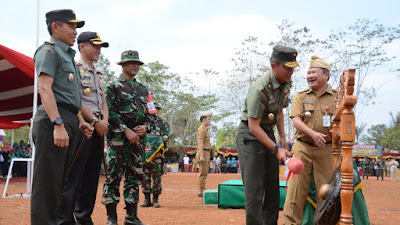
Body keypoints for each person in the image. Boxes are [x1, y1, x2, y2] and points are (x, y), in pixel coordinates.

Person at [31, 9, 93, 225]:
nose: (76, 31)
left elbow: (71, 97)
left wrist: (81, 121)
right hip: (52, 120)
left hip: (68, 118)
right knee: (47, 185)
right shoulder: (49, 51)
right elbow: (45, 89)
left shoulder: (67, 56)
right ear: (55, 26)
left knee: (59, 183)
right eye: (72, 26)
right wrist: (57, 123)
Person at [236, 45, 295, 225]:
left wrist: (283, 139)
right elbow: (254, 126)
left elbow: (279, 112)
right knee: (254, 192)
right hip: (250, 136)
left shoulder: (286, 84)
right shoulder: (260, 88)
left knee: (272, 189)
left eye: (293, 67)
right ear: (273, 65)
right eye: (287, 67)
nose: (291, 72)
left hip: (268, 133)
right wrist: (275, 148)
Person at [56, 31, 109, 225]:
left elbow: (103, 101)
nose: (98, 50)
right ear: (82, 46)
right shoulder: (75, 69)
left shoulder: (99, 73)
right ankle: (64, 219)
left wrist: (105, 121)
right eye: (95, 45)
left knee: (91, 177)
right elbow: (76, 100)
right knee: (74, 175)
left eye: (100, 46)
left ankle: (84, 216)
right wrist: (96, 121)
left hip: (99, 130)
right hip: (82, 128)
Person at [102, 50, 156, 225]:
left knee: (134, 177)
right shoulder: (112, 86)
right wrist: (125, 130)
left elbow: (152, 113)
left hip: (139, 140)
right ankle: (112, 218)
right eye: (132, 63)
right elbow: (107, 112)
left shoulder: (143, 89)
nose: (136, 66)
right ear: (123, 65)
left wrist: (146, 127)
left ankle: (131, 217)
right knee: (113, 178)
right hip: (118, 140)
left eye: (138, 63)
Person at [283, 56, 337, 224]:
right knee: (295, 191)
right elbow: (296, 120)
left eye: (313, 72)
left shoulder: (337, 97)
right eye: (308, 73)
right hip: (302, 148)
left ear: (326, 75)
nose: (309, 76)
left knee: (327, 192)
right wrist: (313, 134)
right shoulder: (301, 96)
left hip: (327, 149)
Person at [140, 102, 170, 208]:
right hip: (145, 154)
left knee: (157, 177)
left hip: (157, 155)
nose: (155, 110)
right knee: (144, 176)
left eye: (157, 109)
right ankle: (146, 199)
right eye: (154, 108)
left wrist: (166, 137)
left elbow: (167, 134)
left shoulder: (163, 122)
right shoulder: (143, 121)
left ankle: (156, 200)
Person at [196, 111, 213, 197]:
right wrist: (202, 155)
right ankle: (201, 191)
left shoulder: (205, 129)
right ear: (204, 120)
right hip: (203, 152)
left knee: (205, 172)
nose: (210, 121)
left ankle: (202, 189)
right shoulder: (201, 129)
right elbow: (200, 142)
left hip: (206, 152)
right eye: (208, 119)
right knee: (202, 172)